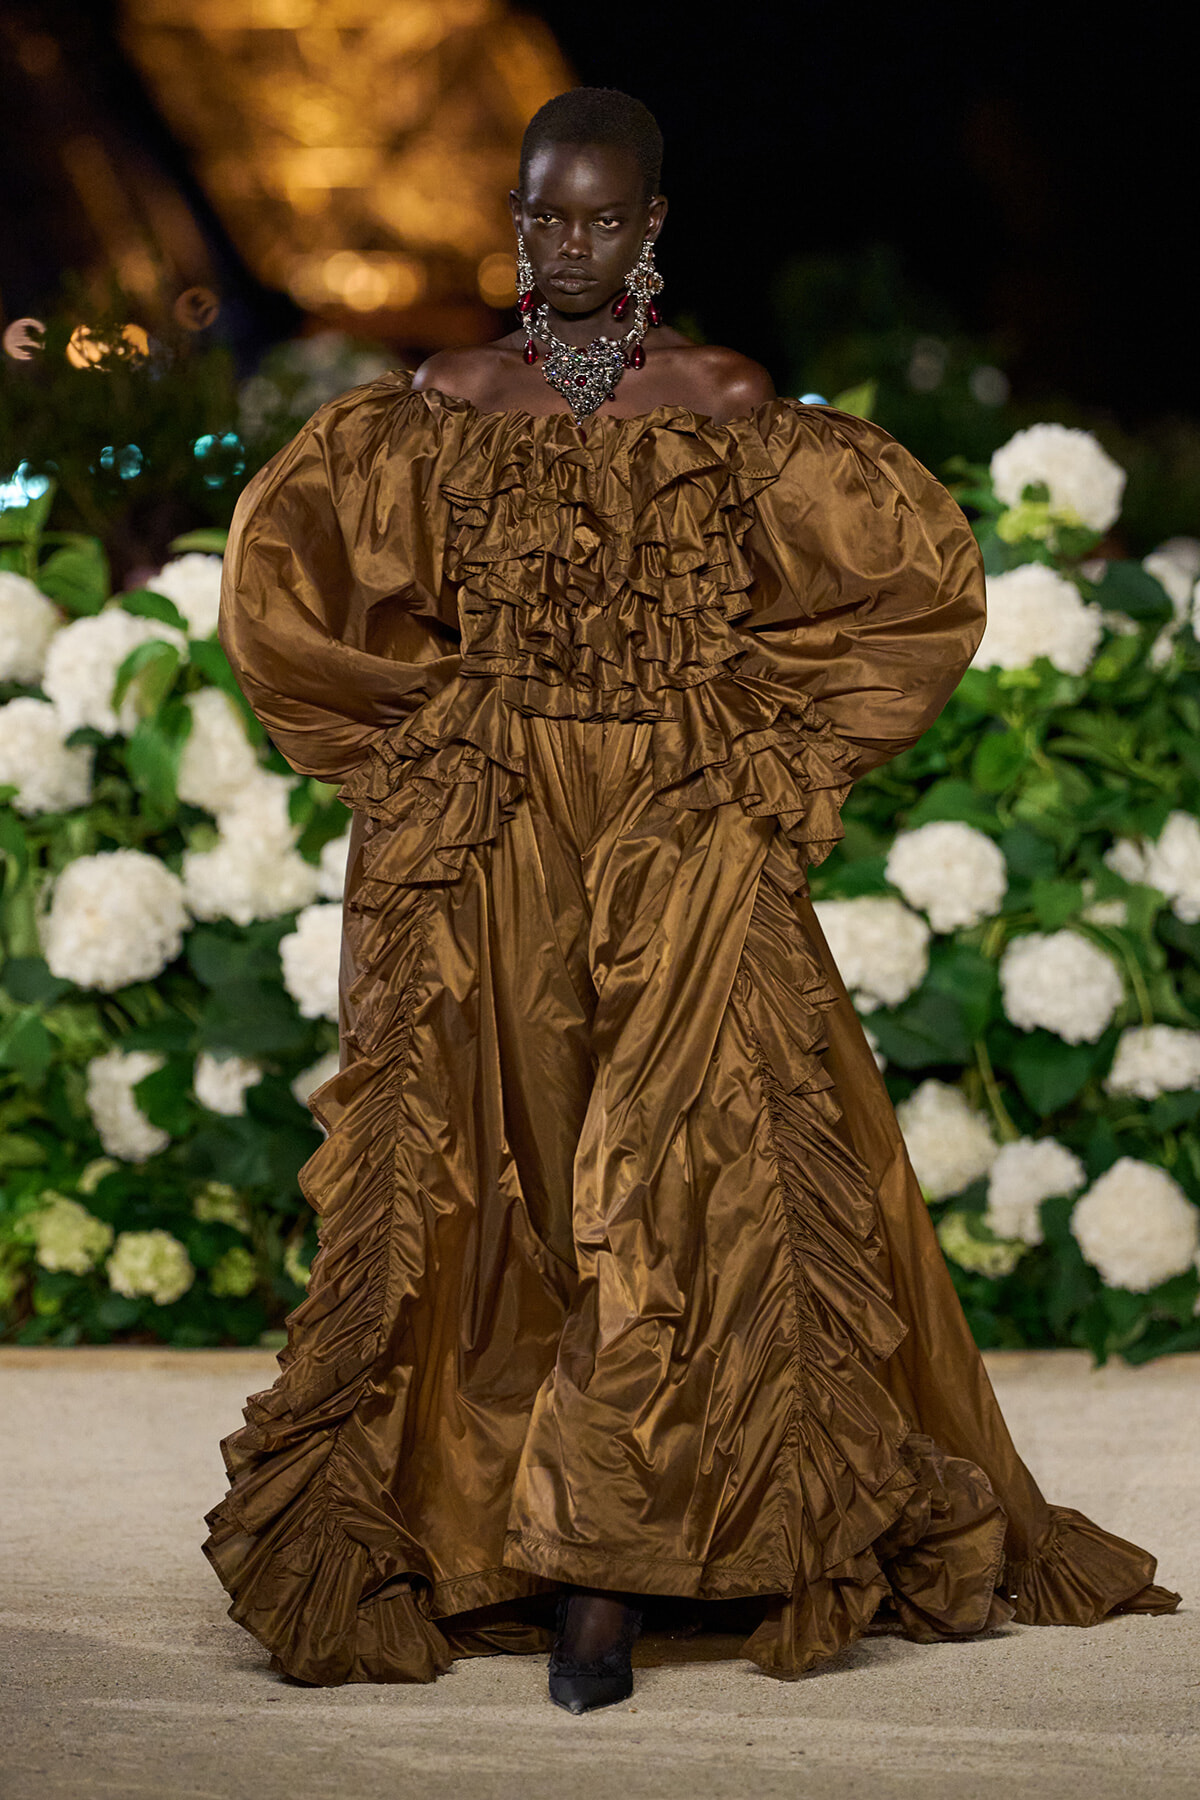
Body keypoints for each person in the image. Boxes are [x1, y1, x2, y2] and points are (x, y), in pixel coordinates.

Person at [203, 87, 1181, 1716]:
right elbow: (284, 583)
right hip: (502, 830)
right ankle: (502, 1526)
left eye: (597, 218)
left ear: (651, 230)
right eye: (541, 216)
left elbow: (916, 580)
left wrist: (768, 747)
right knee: (512, 1165)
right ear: (515, 220)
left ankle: (612, 1568)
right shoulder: (442, 401)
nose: (565, 245)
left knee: (681, 1173)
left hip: (685, 830)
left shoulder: (725, 402)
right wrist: (424, 725)